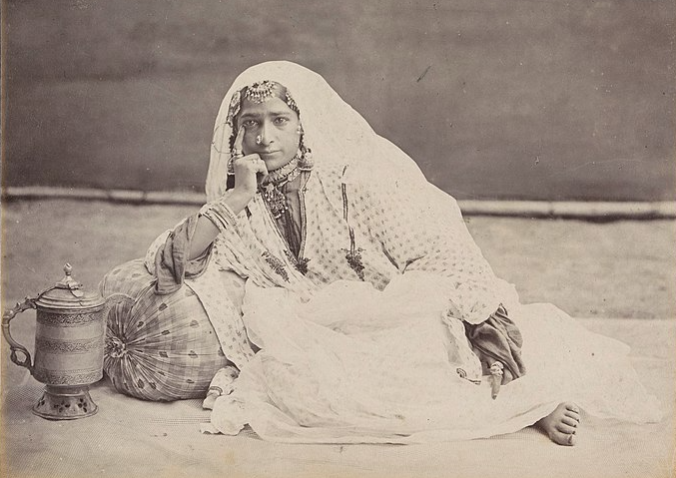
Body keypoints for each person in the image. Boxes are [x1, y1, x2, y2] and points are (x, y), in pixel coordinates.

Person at [144, 61, 660, 445]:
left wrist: (478, 319)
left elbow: (439, 253)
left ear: (304, 127)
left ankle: (529, 403)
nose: (264, 137)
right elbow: (168, 266)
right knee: (296, 378)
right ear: (235, 135)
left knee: (416, 356)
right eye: (251, 124)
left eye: (279, 120)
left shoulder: (352, 183)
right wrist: (236, 197)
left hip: (398, 309)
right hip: (318, 329)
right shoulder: (241, 210)